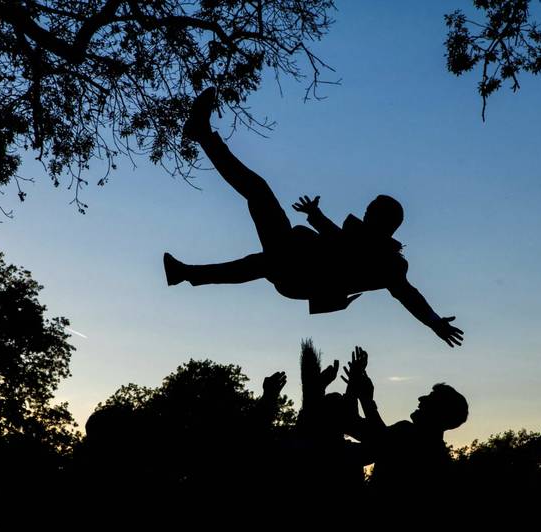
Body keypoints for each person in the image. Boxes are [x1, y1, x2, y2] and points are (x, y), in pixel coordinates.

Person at [164, 88, 464, 348]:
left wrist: (436, 322)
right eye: (368, 209)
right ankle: (184, 271)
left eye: (372, 212)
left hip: (302, 278)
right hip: (296, 259)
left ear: (385, 222)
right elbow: (342, 242)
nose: (365, 213)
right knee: (258, 204)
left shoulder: (390, 265)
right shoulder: (359, 240)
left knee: (262, 225)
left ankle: (201, 135)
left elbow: (408, 295)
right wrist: (316, 216)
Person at [341, 346, 468, 496]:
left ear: (440, 412)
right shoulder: (436, 454)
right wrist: (357, 390)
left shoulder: (411, 438)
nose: (421, 398)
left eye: (431, 397)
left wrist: (362, 395)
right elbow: (356, 426)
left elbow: (375, 436)